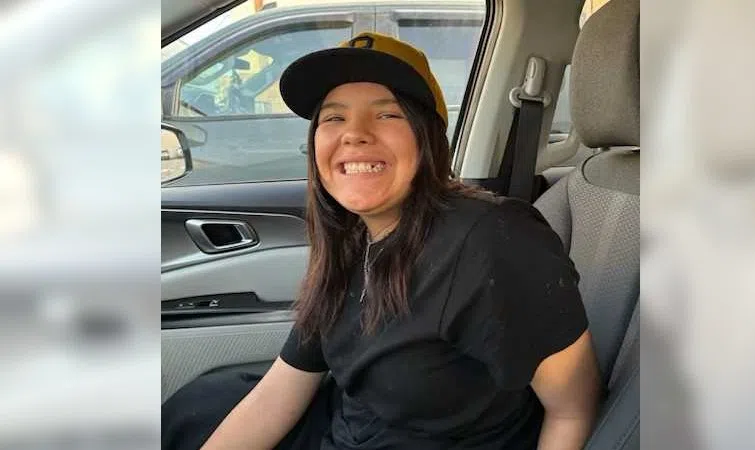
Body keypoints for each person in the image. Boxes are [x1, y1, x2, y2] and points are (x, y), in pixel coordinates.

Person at [162, 32, 601, 450]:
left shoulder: (493, 242)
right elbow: (281, 390)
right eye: (334, 117)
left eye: (387, 114)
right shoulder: (350, 238)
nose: (353, 133)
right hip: (345, 430)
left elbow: (571, 410)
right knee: (193, 409)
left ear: (428, 137)